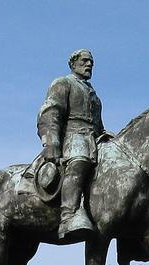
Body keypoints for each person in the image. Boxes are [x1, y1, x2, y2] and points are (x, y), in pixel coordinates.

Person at [37, 49, 106, 239]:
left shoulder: (94, 95)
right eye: (85, 61)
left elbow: (98, 125)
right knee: (79, 160)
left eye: (91, 62)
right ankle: (68, 216)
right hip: (72, 137)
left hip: (93, 138)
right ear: (73, 63)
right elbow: (50, 112)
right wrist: (51, 142)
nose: (89, 64)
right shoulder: (63, 83)